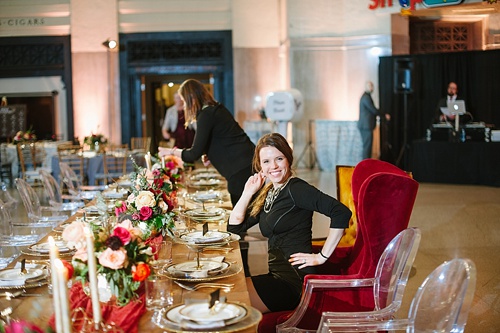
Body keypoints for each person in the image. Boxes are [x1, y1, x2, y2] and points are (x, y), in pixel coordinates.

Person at [227, 133, 352, 313]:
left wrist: (321, 256)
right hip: (277, 275)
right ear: (259, 166)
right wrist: (248, 192)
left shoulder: (296, 189)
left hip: (294, 282)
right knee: (229, 290)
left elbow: (341, 212)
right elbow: (234, 227)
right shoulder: (269, 191)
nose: (274, 166)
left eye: (279, 158)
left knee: (232, 306)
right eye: (266, 162)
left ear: (288, 159)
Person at [158, 79, 255, 207]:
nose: (185, 105)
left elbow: (193, 154)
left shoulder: (206, 114)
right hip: (246, 162)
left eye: (184, 100)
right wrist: (209, 152)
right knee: (243, 214)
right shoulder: (215, 108)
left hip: (239, 168)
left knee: (239, 218)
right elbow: (221, 137)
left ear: (191, 98)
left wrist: (169, 151)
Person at [357, 81, 390, 160]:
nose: (372, 88)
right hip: (366, 126)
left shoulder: (367, 97)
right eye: (370, 86)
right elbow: (373, 110)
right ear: (366, 87)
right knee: (367, 148)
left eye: (372, 86)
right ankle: (365, 168)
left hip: (367, 126)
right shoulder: (366, 98)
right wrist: (384, 115)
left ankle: (366, 166)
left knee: (368, 147)